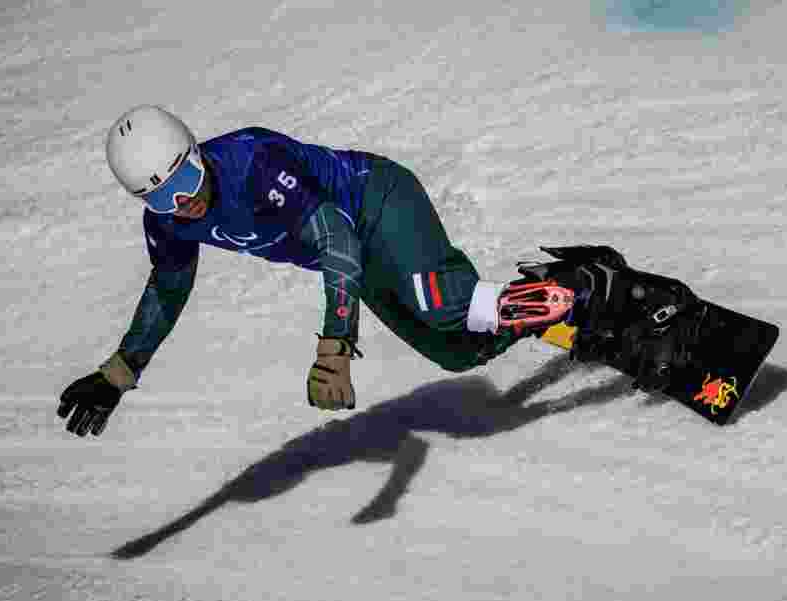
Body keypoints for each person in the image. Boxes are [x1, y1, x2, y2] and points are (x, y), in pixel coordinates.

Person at [55, 105, 590, 438]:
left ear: (198, 151)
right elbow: (167, 292)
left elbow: (335, 237)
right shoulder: (169, 222)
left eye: (187, 177)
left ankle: (587, 288)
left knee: (445, 304)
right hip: (354, 255)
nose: (186, 200)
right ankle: (555, 312)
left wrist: (334, 347)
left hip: (375, 204)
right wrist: (119, 373)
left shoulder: (253, 162)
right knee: (457, 351)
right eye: (164, 196)